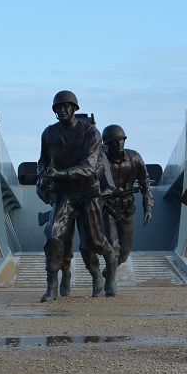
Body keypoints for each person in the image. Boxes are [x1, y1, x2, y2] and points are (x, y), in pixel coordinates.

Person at [37, 90, 118, 301]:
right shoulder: (49, 133)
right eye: (58, 108)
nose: (62, 110)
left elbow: (89, 168)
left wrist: (60, 173)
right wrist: (43, 175)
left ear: (74, 108)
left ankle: (106, 269)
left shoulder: (91, 132)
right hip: (64, 193)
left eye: (66, 107)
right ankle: (52, 285)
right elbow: (43, 161)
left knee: (96, 242)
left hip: (88, 192)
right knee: (53, 235)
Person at [100, 124, 153, 267]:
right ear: (108, 144)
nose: (119, 144)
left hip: (126, 210)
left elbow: (145, 185)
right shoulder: (100, 160)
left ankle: (110, 272)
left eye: (122, 140)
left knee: (124, 253)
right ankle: (111, 282)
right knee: (113, 248)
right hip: (108, 208)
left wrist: (147, 208)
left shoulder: (135, 158)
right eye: (115, 141)